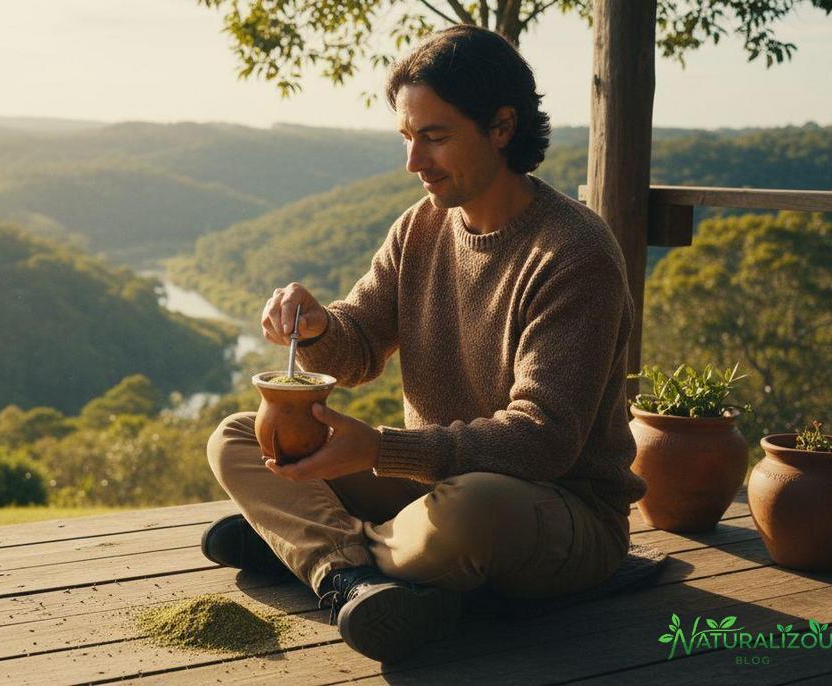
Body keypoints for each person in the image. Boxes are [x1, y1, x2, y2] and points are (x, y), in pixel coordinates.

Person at [201, 24, 647, 664]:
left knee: (472, 510)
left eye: (434, 137)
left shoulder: (574, 253)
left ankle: (302, 540)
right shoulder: (422, 226)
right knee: (239, 438)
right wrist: (321, 323)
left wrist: (382, 448)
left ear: (501, 127)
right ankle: (346, 575)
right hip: (429, 481)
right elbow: (356, 348)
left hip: (554, 509)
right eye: (408, 138)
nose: (414, 162)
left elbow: (542, 439)